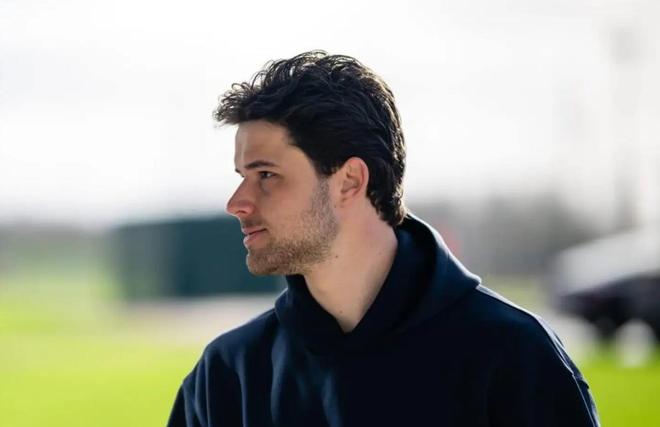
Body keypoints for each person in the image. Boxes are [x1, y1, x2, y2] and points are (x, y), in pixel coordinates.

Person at [167, 50, 600, 427]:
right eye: (242, 177)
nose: (237, 203)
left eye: (266, 175)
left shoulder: (513, 357)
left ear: (349, 181)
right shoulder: (227, 376)